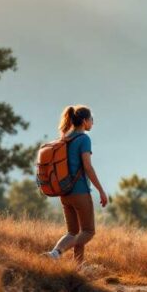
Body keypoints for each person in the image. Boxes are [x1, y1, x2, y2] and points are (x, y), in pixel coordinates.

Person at [45, 105, 108, 265]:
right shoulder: (84, 138)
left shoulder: (66, 137)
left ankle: (76, 267)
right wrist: (101, 190)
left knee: (73, 233)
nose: (93, 123)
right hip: (80, 191)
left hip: (64, 192)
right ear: (85, 121)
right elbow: (88, 166)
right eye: (92, 120)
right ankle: (56, 253)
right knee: (88, 232)